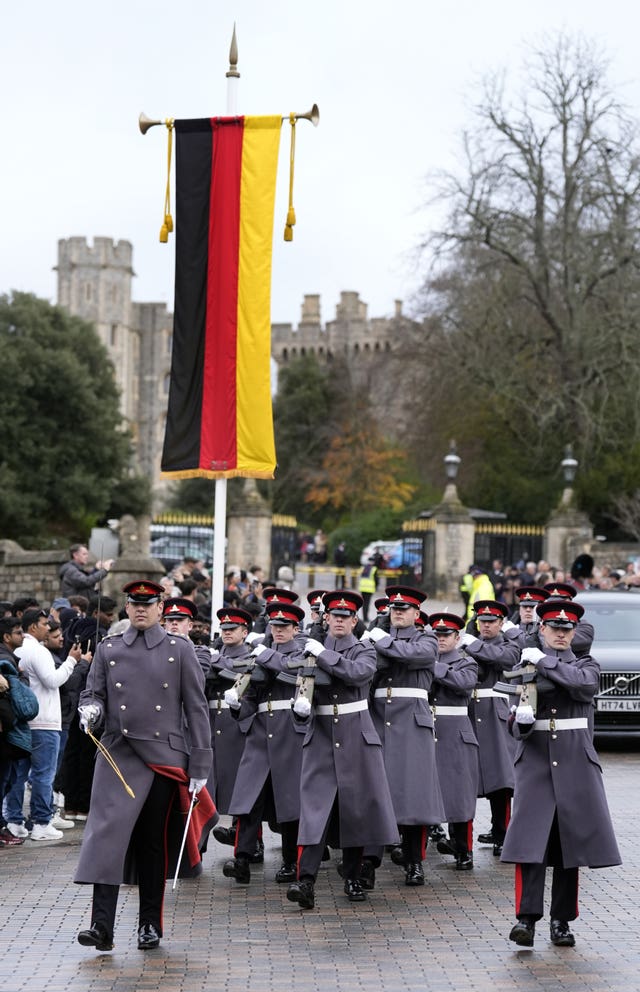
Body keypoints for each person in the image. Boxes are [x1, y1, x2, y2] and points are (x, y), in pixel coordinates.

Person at [74, 580, 214, 953]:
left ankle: (149, 925)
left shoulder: (179, 650)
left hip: (161, 759)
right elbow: (94, 692)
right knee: (106, 839)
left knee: (152, 844)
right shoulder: (109, 648)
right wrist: (90, 708)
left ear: (160, 606)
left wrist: (200, 763)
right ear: (127, 605)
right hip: (117, 753)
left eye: (147, 604)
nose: (140, 609)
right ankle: (100, 926)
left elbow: (196, 709)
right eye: (134, 604)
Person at [502, 598, 621, 948]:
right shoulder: (526, 664)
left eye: (566, 630)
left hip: (573, 761)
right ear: (541, 629)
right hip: (536, 760)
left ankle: (561, 921)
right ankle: (526, 919)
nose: (560, 634)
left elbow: (582, 686)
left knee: (570, 845)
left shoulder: (585, 663)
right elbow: (516, 719)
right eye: (554, 628)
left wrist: (546, 662)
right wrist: (519, 722)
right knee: (530, 844)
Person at [286, 590, 399, 910]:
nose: (339, 621)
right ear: (326, 618)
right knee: (314, 810)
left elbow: (357, 674)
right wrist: (300, 709)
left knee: (356, 809)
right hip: (321, 734)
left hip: (356, 735)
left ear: (353, 621)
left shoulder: (363, 650)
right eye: (334, 616)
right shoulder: (310, 649)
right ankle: (304, 880)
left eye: (345, 616)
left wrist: (322, 654)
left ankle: (352, 876)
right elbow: (301, 687)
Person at [363, 585, 446, 886]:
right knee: (375, 793)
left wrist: (382, 641)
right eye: (393, 609)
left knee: (414, 795)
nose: (397, 613)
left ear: (416, 614)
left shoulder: (426, 638)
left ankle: (414, 861)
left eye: (404, 609)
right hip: (378, 716)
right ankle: (368, 863)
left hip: (411, 719)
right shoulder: (375, 637)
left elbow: (415, 656)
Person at [222, 601, 307, 886]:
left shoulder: (302, 652)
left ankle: (290, 861)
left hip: (287, 730)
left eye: (284, 626)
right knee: (249, 800)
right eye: (274, 626)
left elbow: (296, 674)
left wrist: (265, 656)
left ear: (296, 629)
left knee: (290, 802)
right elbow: (249, 694)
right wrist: (236, 705)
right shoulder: (259, 654)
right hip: (260, 730)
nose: (278, 630)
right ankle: (243, 859)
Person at [3, 608, 81, 841]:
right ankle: (41, 822)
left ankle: (15, 820)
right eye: (44, 623)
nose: (49, 627)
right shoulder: (38, 651)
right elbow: (52, 680)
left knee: (19, 775)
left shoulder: (18, 650)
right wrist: (71, 661)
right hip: (44, 721)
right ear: (33, 627)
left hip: (25, 722)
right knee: (43, 775)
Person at [460, 600, 521, 855]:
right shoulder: (466, 644)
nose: (485, 625)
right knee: (465, 778)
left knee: (501, 778)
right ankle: (463, 842)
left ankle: (502, 832)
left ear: (501, 623)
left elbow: (506, 659)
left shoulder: (509, 645)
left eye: (491, 621)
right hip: (471, 711)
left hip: (495, 712)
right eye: (482, 621)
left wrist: (473, 645)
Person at [429, 612, 480, 871]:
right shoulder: (422, 659)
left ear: (457, 637)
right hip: (428, 730)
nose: (440, 639)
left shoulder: (466, 661)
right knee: (423, 793)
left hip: (456, 731)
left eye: (446, 634)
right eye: (436, 634)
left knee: (459, 796)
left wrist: (433, 666)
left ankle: (464, 850)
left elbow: (463, 683)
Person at [357, 558, 379, 622]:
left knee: (364, 604)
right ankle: (366, 618)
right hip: (369, 589)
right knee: (367, 604)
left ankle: (364, 617)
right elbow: (376, 579)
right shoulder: (374, 569)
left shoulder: (363, 568)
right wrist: (376, 586)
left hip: (362, 588)